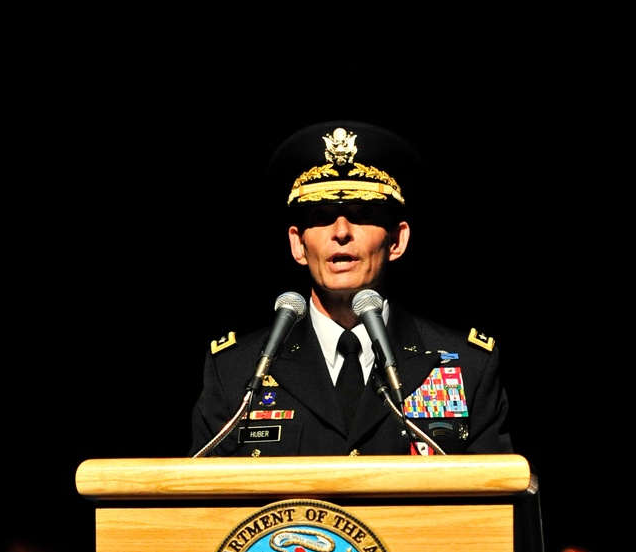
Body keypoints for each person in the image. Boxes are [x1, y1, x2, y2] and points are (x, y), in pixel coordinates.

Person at [189, 119, 512, 458]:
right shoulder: (236, 371)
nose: (341, 231)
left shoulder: (468, 366)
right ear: (298, 245)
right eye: (321, 216)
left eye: (362, 214)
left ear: (397, 240)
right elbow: (198, 502)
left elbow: (500, 503)